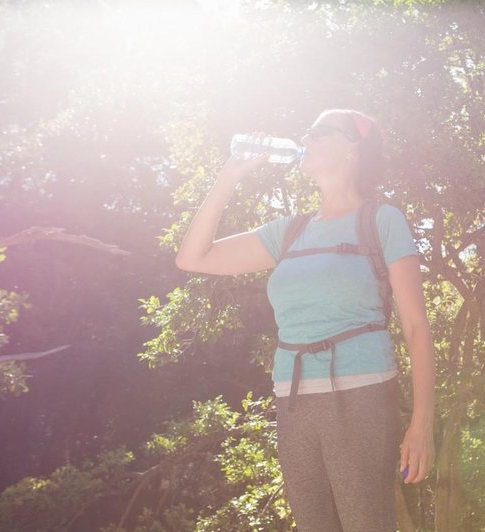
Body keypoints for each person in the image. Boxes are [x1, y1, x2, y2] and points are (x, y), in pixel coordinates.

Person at [174, 109, 436, 532]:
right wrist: (231, 175)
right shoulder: (290, 232)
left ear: (353, 148)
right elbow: (192, 257)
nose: (306, 139)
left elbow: (416, 326)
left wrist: (422, 423)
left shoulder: (381, 220)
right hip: (293, 398)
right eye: (306, 133)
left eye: (319, 133)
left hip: (361, 391)